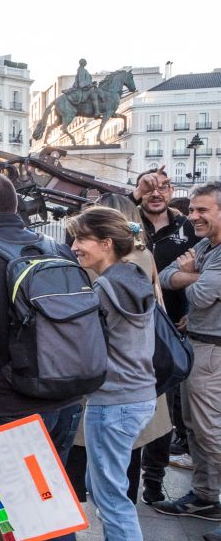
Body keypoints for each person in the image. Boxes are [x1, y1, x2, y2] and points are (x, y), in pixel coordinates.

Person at [0, 173, 84, 479]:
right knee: (52, 503)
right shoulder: (54, 247)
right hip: (65, 398)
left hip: (7, 402)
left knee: (8, 510)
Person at [61, 207, 157, 540]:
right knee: (101, 484)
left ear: (105, 243)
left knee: (111, 500)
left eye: (81, 239)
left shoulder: (104, 289)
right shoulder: (134, 274)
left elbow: (86, 347)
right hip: (139, 397)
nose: (74, 246)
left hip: (114, 401)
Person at [155, 182, 221, 532]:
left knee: (211, 433)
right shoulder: (207, 247)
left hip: (214, 350)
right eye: (192, 209)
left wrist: (193, 276)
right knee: (195, 430)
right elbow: (165, 277)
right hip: (197, 345)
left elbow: (200, 297)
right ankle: (205, 497)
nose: (192, 216)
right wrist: (198, 275)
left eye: (202, 210)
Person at [131, 165, 199, 474]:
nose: (156, 193)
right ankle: (129, 474)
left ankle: (155, 478)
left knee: (164, 409)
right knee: (133, 407)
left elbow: (206, 269)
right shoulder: (128, 222)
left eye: (163, 187)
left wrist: (190, 310)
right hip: (131, 327)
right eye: (148, 187)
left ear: (172, 192)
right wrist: (132, 196)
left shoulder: (187, 227)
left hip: (171, 327)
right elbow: (98, 215)